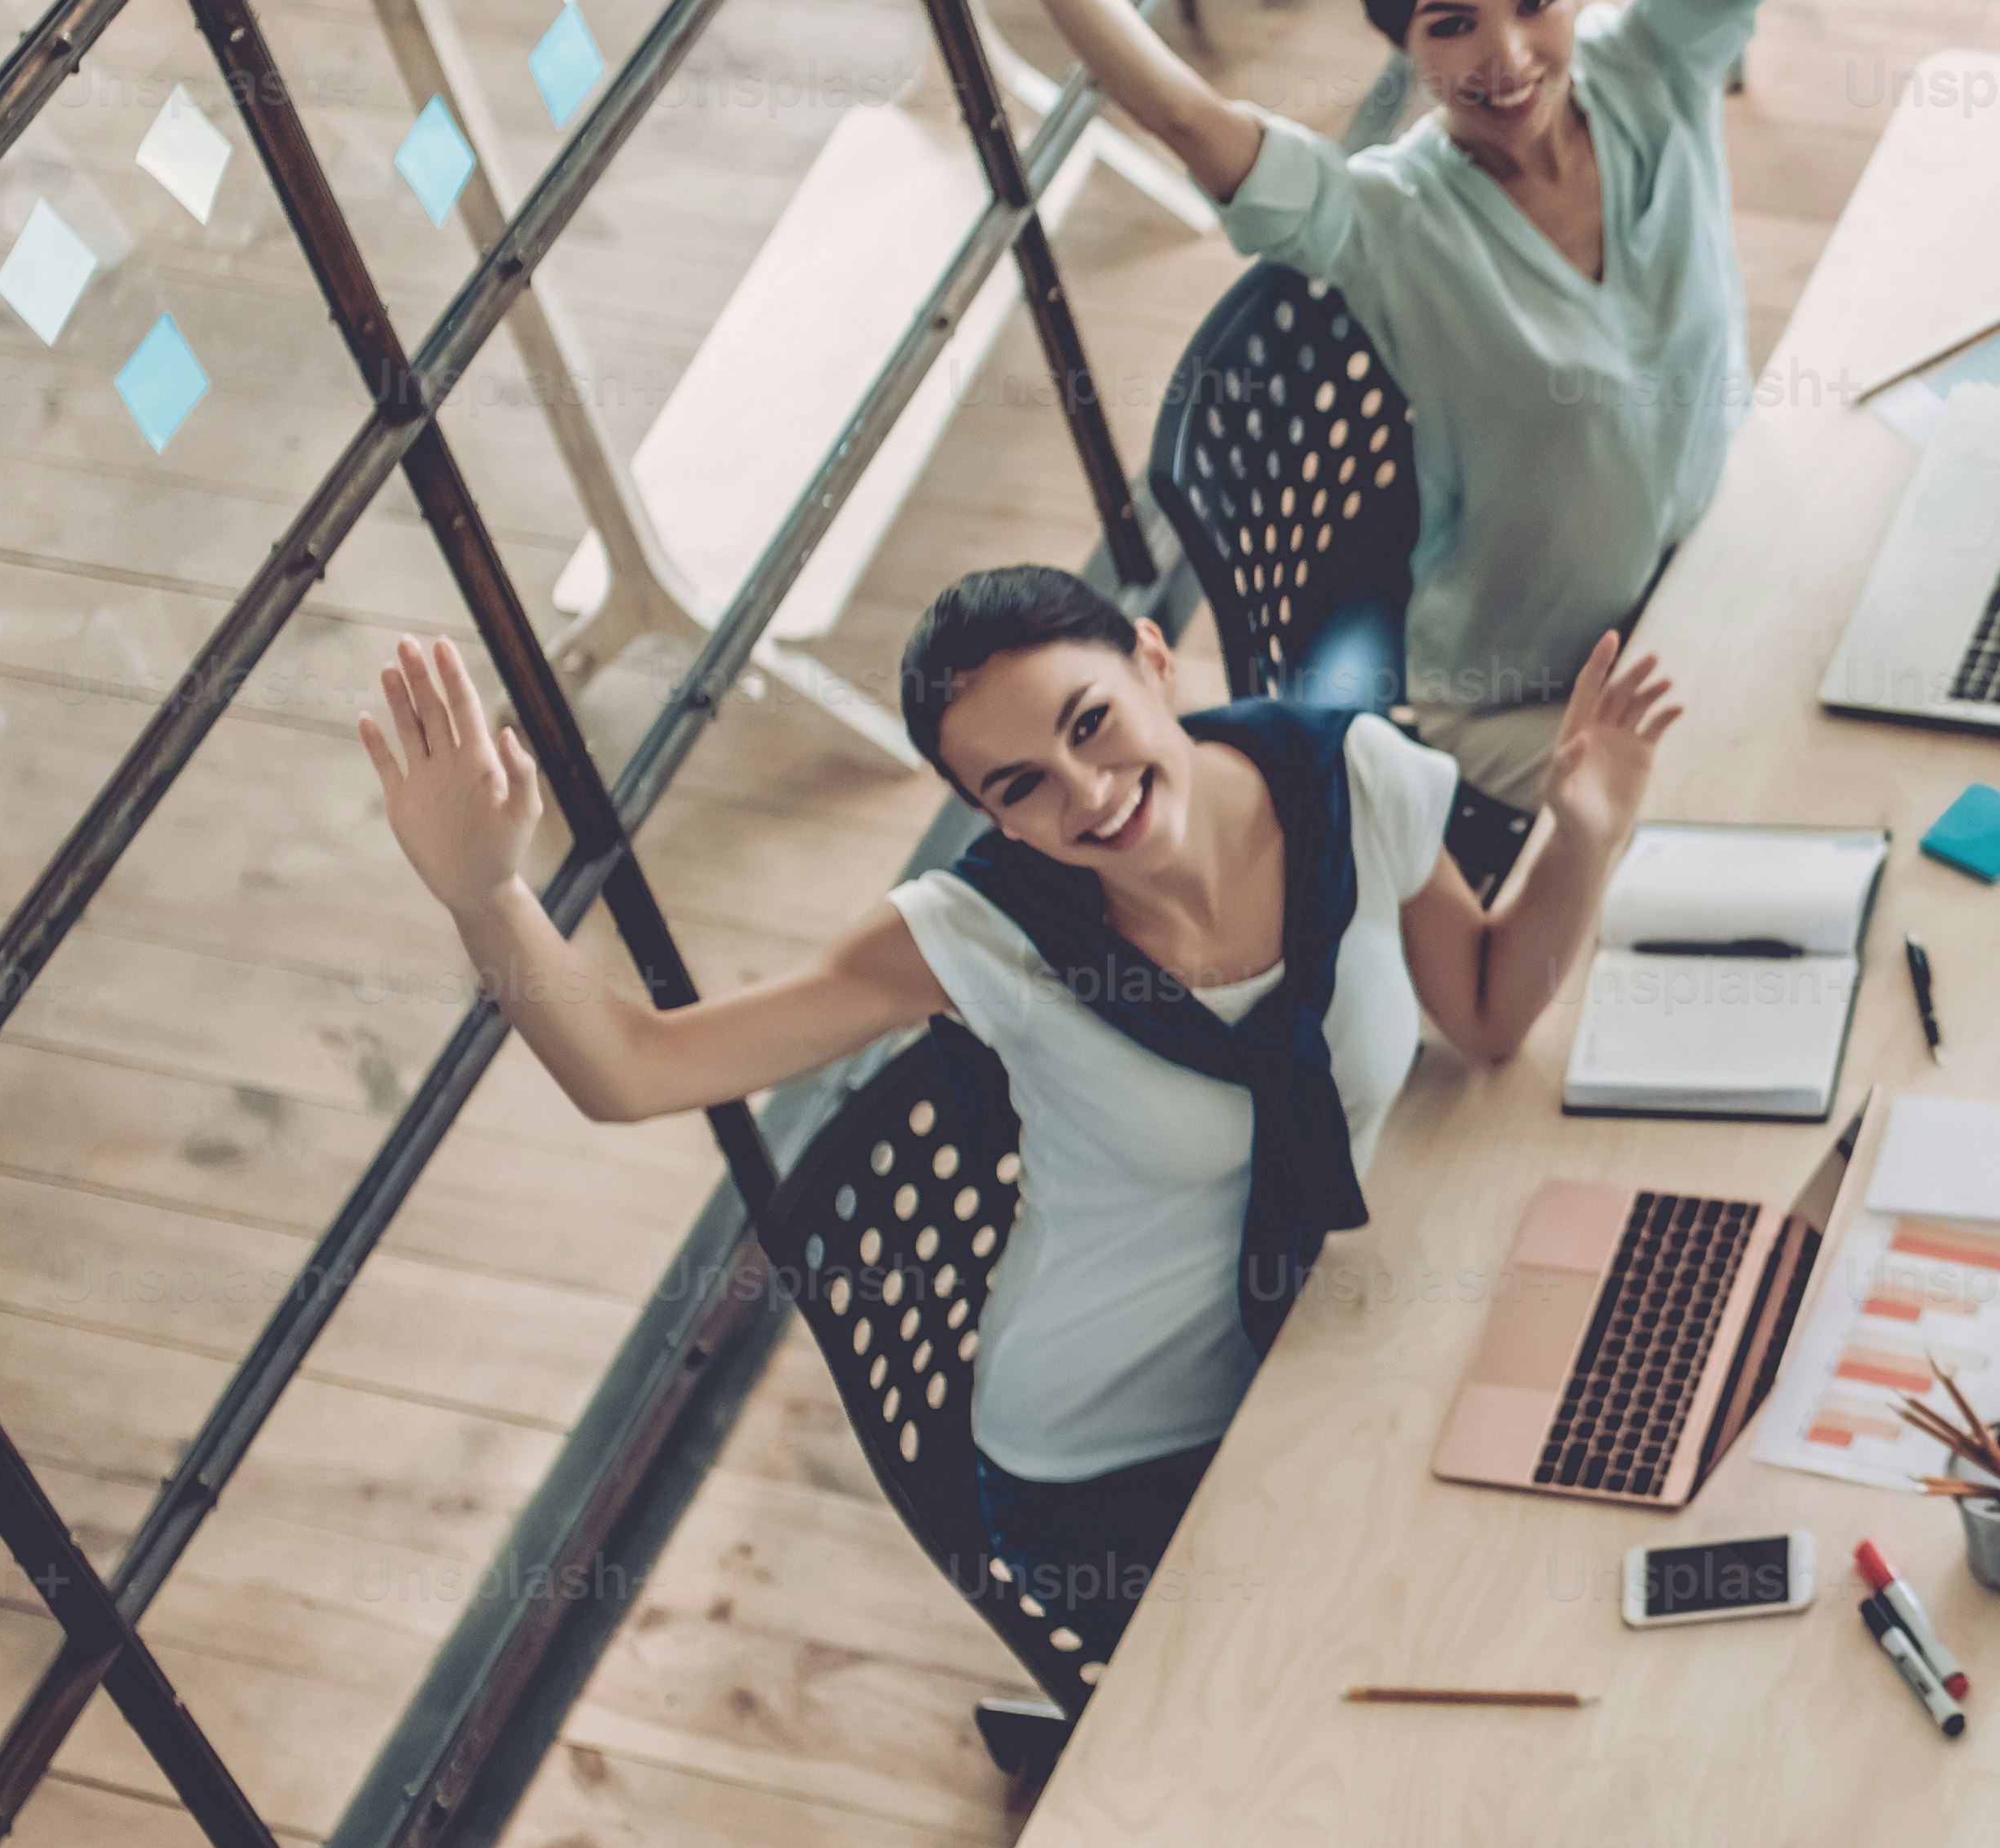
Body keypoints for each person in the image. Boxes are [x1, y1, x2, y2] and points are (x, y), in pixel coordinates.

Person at [353, 569, 1676, 1679]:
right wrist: (486, 896)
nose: (1086, 795)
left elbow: (1492, 1011)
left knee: (1589, 1518)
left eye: (1093, 723)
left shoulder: (1349, 781)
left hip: (1323, 1355)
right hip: (1121, 1463)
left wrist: (1587, 830)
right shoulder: (979, 937)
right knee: (1447, 1649)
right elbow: (633, 1070)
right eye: (1019, 788)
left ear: (1155, 662)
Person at [942, 0, 1775, 807]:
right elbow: (1177, 111)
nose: (1505, 57)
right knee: (1762, 814)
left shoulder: (1657, 69)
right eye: (1451, 27)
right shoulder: (1384, 222)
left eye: (1535, 0)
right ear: (1400, 40)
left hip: (1719, 584)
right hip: (1533, 706)